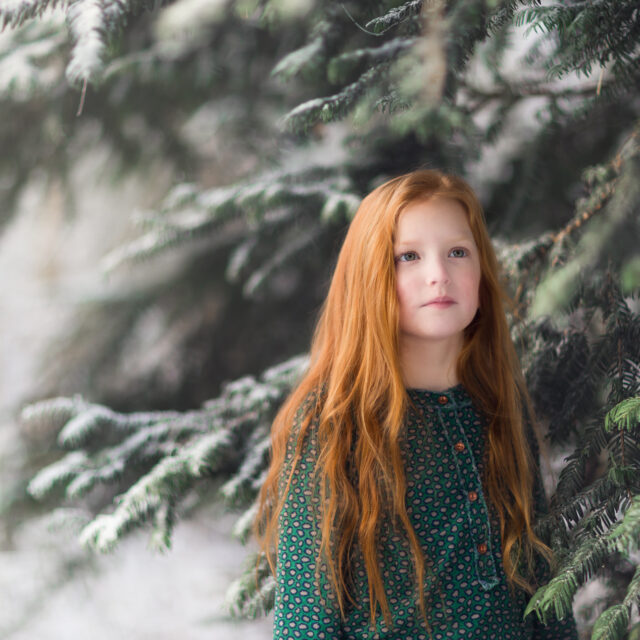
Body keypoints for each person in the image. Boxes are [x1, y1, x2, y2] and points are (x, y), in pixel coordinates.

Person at [255, 169, 579, 639]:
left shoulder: (497, 401)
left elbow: (544, 580)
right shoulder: (333, 422)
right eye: (408, 256)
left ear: (482, 271)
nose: (438, 275)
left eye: (457, 253)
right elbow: (306, 621)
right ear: (370, 278)